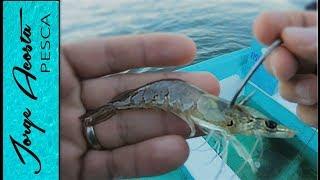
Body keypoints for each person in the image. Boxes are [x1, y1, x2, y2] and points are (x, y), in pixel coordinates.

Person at [61, 11, 317, 179]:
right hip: (165, 96)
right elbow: (224, 125)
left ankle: (97, 117)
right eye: (268, 125)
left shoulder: (234, 118)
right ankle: (100, 114)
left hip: (180, 98)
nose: (266, 126)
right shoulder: (229, 121)